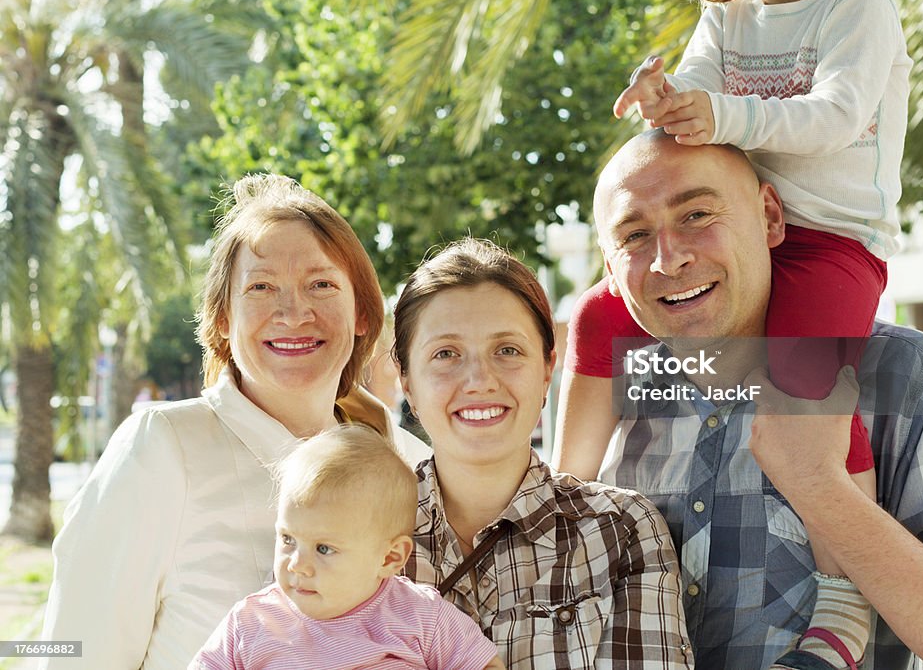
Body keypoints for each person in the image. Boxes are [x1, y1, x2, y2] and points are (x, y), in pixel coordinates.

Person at [562, 0, 913, 669]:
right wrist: (660, 94)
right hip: (742, 243)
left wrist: (721, 113)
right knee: (595, 318)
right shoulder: (727, 20)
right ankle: (556, 511)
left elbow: (834, 116)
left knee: (805, 395)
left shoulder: (858, 4)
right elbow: (693, 94)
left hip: (830, 240)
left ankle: (845, 590)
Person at [585, 132, 923, 670]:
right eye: (634, 235)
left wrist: (820, 487)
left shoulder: (901, 375)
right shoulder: (612, 395)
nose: (668, 259)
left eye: (697, 215)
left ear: (770, 217)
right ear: (610, 269)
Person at [40, 174, 430, 670]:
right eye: (262, 286)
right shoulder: (163, 449)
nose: (294, 312)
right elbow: (73, 655)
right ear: (223, 317)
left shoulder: (410, 467)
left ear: (361, 315)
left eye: (322, 284)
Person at [392, 238, 692, 669]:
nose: (479, 380)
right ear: (407, 381)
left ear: (547, 367)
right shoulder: (339, 525)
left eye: (507, 350)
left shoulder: (620, 532)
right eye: (446, 354)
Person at [190, 425, 502, 670]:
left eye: (323, 549)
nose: (296, 564)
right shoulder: (250, 622)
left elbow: (485, 664)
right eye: (287, 539)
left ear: (390, 558)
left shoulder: (421, 617)